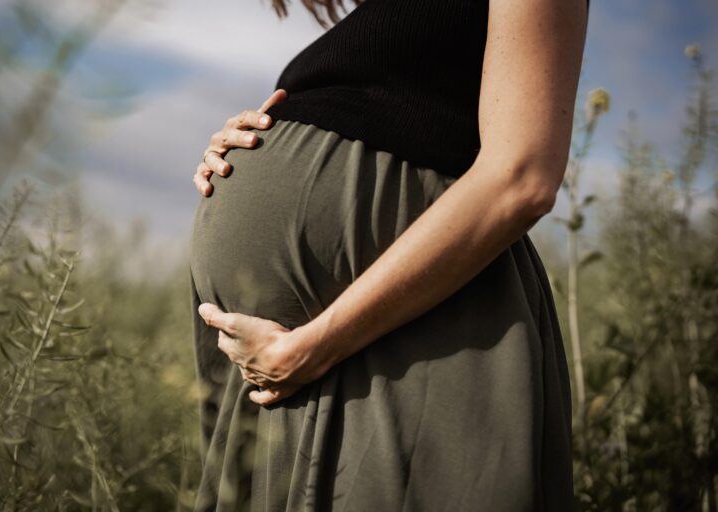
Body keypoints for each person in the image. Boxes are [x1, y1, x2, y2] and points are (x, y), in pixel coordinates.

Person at [189, 0, 588, 509]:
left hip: (395, 334)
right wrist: (252, 136)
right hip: (297, 359)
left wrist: (314, 348)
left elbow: (522, 177)